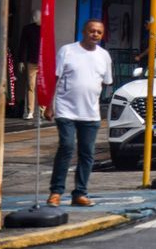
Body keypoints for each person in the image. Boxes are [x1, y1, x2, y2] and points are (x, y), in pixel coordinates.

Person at [45, 19, 113, 208]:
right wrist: (49, 106)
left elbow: (107, 81)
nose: (95, 35)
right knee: (66, 147)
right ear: (84, 31)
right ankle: (56, 192)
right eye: (92, 31)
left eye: (99, 32)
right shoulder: (67, 51)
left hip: (90, 113)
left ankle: (80, 193)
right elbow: (56, 78)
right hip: (65, 109)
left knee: (87, 153)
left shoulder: (104, 56)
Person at [17, 10, 42, 120]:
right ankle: (30, 111)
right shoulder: (27, 29)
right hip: (31, 61)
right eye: (34, 15)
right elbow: (23, 45)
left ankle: (42, 110)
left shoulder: (46, 28)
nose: (35, 17)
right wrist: (21, 60)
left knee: (42, 87)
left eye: (37, 16)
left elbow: (49, 45)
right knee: (31, 86)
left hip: (43, 62)